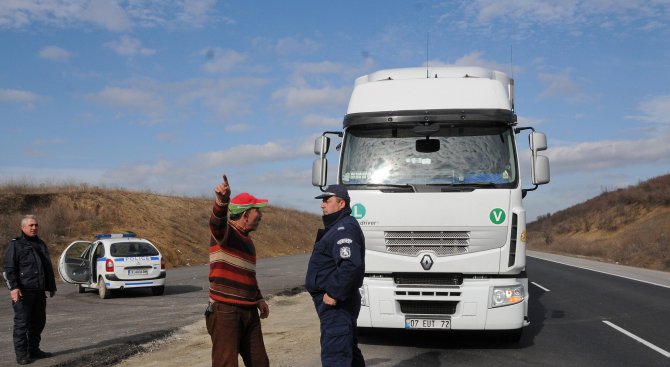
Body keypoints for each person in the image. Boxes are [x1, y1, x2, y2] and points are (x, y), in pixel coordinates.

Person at [206, 174, 270, 367]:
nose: (260, 216)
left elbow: (248, 275)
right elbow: (216, 224)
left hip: (249, 311)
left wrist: (258, 298)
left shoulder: (248, 241)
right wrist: (222, 201)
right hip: (225, 311)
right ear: (245, 215)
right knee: (226, 364)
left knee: (260, 363)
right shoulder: (226, 234)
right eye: (257, 211)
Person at [305, 184, 366, 367]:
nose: (322, 205)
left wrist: (334, 293)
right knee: (347, 350)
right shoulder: (338, 226)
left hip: (337, 304)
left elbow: (350, 266)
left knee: (336, 355)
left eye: (326, 201)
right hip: (336, 303)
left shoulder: (344, 228)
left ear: (341, 204)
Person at [4, 215, 57, 365]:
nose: (34, 228)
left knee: (39, 322)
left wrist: (51, 286)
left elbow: (46, 267)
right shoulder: (15, 245)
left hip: (39, 291)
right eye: (31, 225)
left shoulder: (40, 244)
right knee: (22, 324)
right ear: (23, 227)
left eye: (36, 225)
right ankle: (21, 354)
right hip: (23, 292)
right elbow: (8, 269)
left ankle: (34, 350)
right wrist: (13, 288)